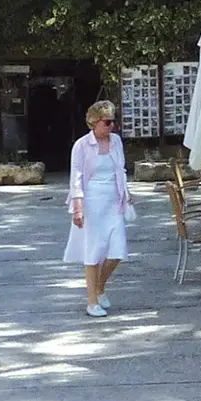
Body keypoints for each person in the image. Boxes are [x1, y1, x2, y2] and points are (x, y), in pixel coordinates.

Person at [65, 100, 131, 317]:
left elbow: (120, 170)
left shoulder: (116, 142)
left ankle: (100, 286)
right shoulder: (82, 146)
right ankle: (92, 301)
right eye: (107, 122)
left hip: (113, 201)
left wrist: (127, 195)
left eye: (114, 122)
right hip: (93, 201)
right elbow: (76, 177)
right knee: (92, 251)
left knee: (117, 251)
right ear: (94, 122)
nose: (112, 127)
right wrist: (78, 207)